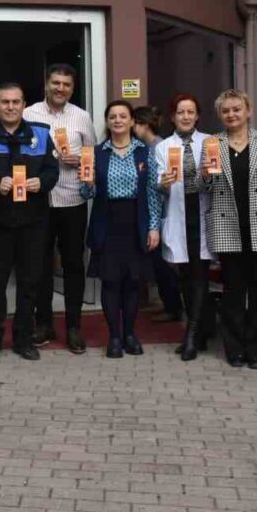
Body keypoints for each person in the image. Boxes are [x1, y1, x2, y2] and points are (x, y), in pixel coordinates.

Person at [201, 89, 257, 370]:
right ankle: (234, 349)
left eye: (236, 109)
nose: (231, 114)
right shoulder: (212, 143)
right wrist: (204, 174)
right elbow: (202, 187)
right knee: (232, 291)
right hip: (227, 226)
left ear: (248, 111)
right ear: (220, 115)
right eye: (226, 111)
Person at [0, 82, 60, 360]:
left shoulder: (41, 134)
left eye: (16, 102)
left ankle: (23, 339)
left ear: (24, 105)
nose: (10, 107)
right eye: (5, 102)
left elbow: (52, 170)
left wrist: (41, 182)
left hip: (33, 222)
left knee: (29, 283)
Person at [22, 63, 97, 354]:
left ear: (72, 88)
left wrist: (80, 161)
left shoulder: (82, 117)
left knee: (73, 265)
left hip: (72, 200)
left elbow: (92, 156)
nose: (60, 89)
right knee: (39, 265)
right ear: (46, 84)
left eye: (66, 84)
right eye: (56, 83)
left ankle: (74, 326)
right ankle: (44, 323)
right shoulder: (29, 114)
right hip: (38, 201)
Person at [80, 100, 162, 358]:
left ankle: (129, 334)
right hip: (107, 221)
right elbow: (86, 193)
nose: (117, 120)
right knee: (111, 282)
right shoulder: (96, 153)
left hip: (136, 221)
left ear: (131, 121)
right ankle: (114, 337)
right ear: (107, 122)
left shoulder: (144, 152)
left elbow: (152, 192)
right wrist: (88, 183)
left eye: (123, 116)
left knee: (132, 283)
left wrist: (154, 227)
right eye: (112, 116)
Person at [155, 92, 212, 361]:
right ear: (172, 117)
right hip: (179, 214)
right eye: (181, 112)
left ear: (197, 116)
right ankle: (199, 333)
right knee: (186, 277)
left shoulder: (210, 142)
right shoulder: (164, 147)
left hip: (203, 214)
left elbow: (218, 181)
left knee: (199, 275)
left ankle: (191, 335)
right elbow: (158, 184)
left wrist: (209, 175)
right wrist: (163, 183)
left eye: (190, 112)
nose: (186, 117)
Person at [133, 105, 183, 321]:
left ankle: (173, 307)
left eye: (135, 124)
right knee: (158, 262)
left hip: (163, 211)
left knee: (164, 262)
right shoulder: (147, 146)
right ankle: (168, 304)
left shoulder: (158, 147)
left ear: (144, 125)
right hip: (154, 211)